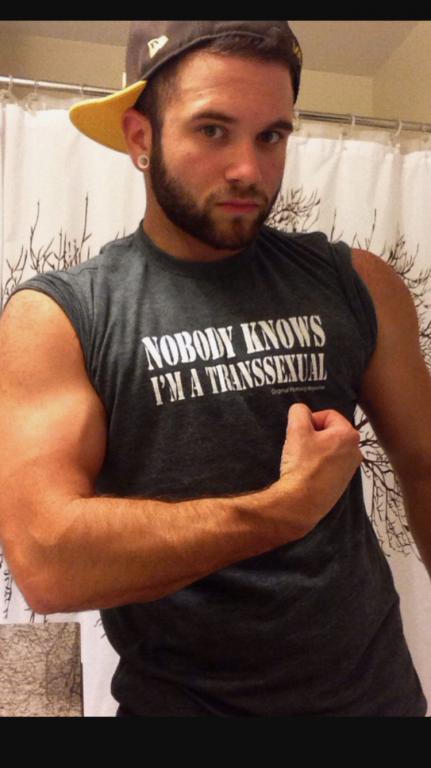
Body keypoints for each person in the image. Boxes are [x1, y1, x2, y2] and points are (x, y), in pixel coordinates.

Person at [0, 20, 429, 717]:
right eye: (212, 130)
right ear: (140, 137)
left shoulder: (358, 283)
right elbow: (48, 563)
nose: (248, 171)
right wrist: (280, 512)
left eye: (271, 136)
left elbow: (425, 463)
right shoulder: (61, 316)